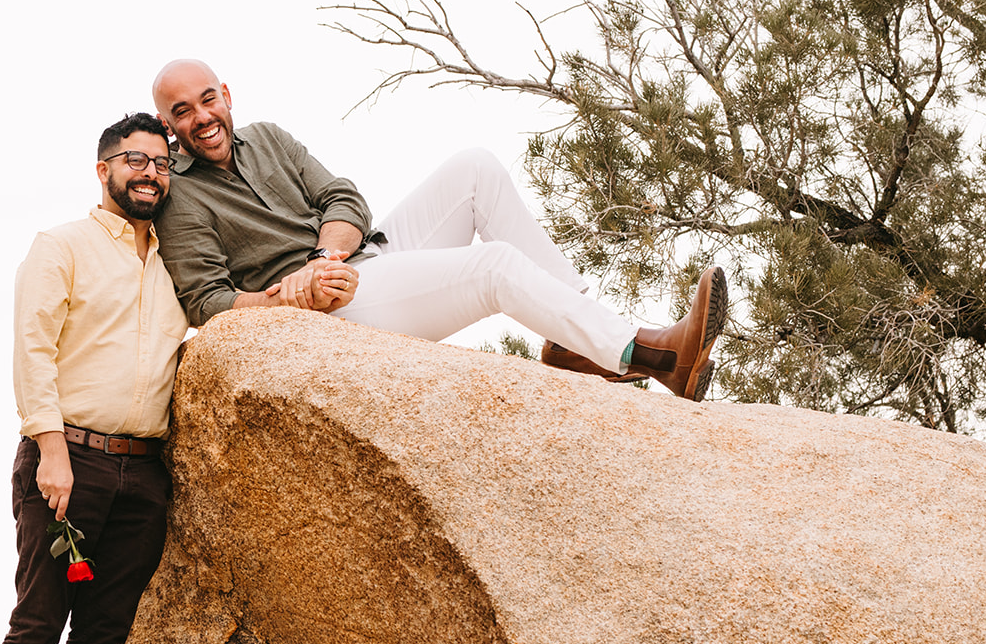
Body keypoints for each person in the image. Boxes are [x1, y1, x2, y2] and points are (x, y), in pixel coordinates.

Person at [150, 59, 727, 400]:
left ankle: (578, 342)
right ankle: (651, 357)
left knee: (474, 167)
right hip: (329, 311)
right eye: (182, 111)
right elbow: (209, 303)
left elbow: (345, 199)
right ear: (167, 124)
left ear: (226, 95)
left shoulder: (269, 137)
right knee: (493, 266)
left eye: (207, 100)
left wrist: (325, 254)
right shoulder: (182, 195)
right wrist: (292, 295)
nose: (201, 119)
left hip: (355, 260)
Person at [0, 112, 184, 644]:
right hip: (68, 457)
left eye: (161, 163)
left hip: (145, 473)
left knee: (101, 636)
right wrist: (51, 449)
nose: (150, 173)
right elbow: (32, 349)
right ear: (102, 169)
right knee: (39, 624)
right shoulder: (61, 246)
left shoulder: (176, 258)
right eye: (134, 159)